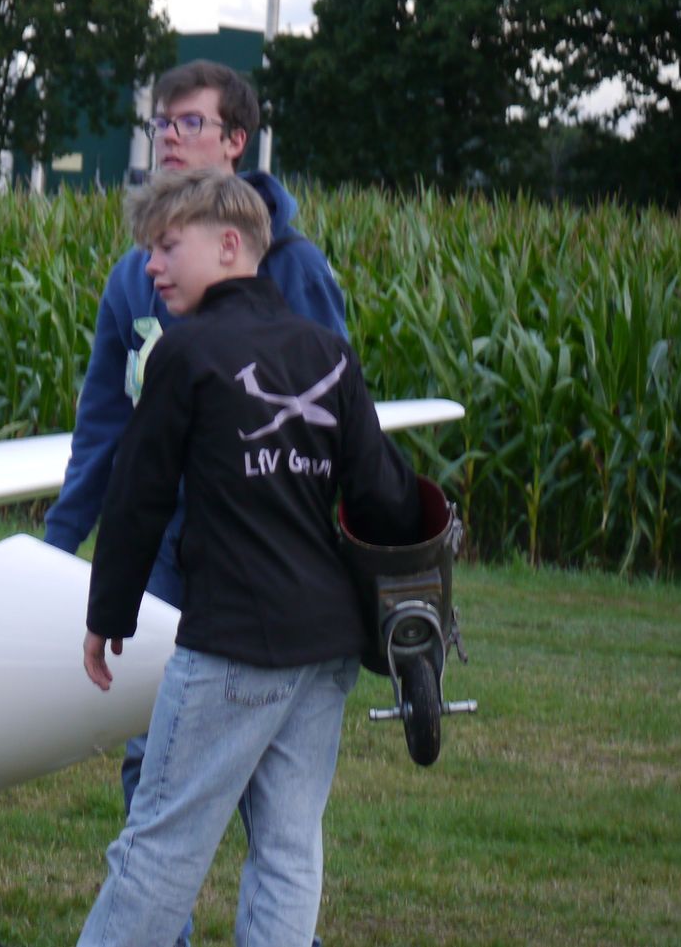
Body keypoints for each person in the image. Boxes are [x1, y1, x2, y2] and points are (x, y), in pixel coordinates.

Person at [75, 169, 422, 947]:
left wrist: (107, 614)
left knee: (160, 844)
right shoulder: (324, 349)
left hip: (234, 643)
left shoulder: (185, 351)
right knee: (289, 848)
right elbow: (381, 498)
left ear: (231, 244)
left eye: (166, 247)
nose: (151, 268)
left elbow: (137, 498)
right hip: (327, 643)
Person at [43, 60, 346, 947]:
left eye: (187, 123)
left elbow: (335, 429)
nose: (167, 137)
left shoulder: (295, 273)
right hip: (170, 556)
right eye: (159, 125)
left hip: (260, 569)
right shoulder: (136, 280)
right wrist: (62, 551)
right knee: (156, 764)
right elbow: (106, 435)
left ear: (236, 143)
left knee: (248, 804)